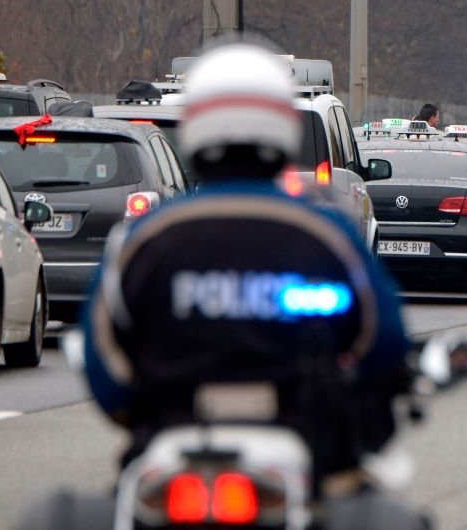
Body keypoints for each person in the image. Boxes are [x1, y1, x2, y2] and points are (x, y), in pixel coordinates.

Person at [82, 42, 414, 487]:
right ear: (283, 127)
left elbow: (102, 354)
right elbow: (385, 342)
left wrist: (141, 409)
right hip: (304, 447)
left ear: (195, 126)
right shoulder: (326, 236)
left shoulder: (146, 239)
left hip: (170, 442)